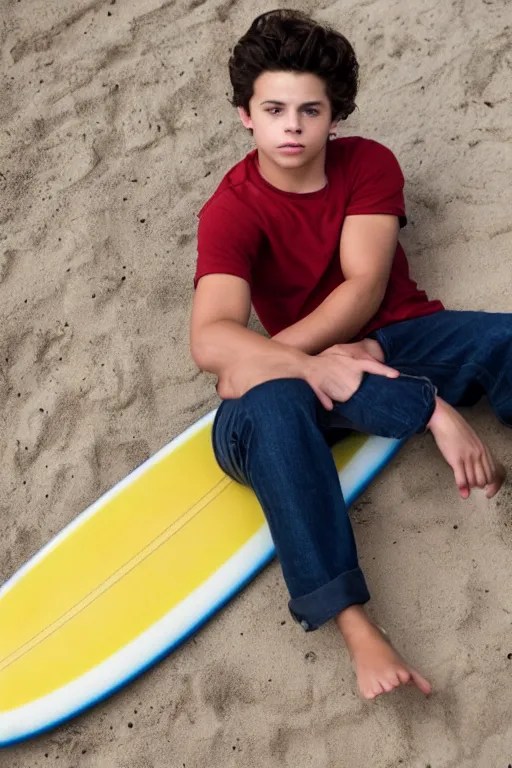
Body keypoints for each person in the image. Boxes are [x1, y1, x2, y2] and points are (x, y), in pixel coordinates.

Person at [189, 8, 509, 700]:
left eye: (311, 109)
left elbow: (363, 290)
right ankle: (357, 627)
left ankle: (413, 397)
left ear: (335, 113)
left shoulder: (369, 164)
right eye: (274, 109)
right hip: (300, 389)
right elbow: (211, 338)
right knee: (271, 405)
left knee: (505, 339)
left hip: (398, 334)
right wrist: (313, 368)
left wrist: (301, 355)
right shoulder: (232, 209)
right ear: (246, 114)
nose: (293, 126)